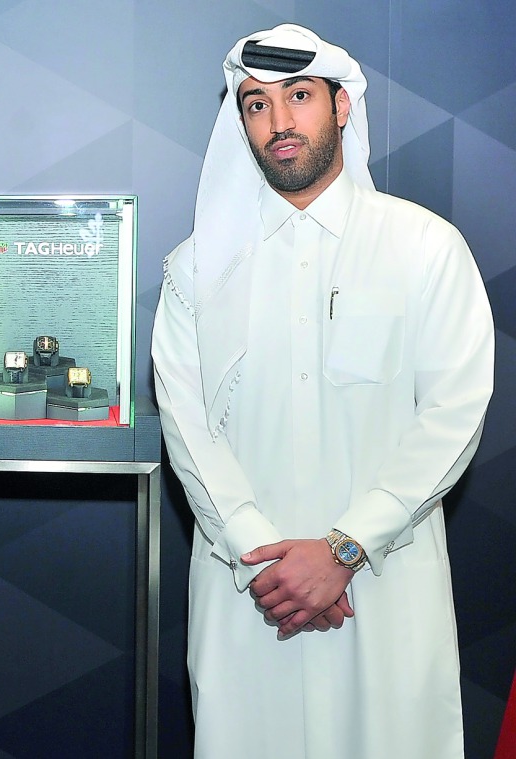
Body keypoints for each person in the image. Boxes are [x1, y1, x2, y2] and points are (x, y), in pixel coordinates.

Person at [152, 24, 492, 759]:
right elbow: (187, 429)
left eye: (298, 97)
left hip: (384, 588)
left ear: (341, 107)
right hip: (252, 597)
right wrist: (259, 552)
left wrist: (345, 546)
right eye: (255, 104)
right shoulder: (196, 272)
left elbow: (454, 415)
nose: (278, 122)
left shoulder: (425, 248)